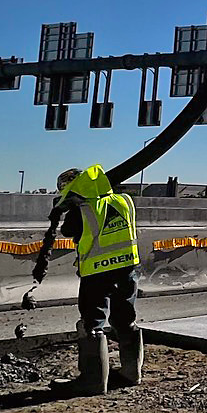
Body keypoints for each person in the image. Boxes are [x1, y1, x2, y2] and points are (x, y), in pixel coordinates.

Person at [32, 164, 144, 393]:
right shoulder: (124, 201)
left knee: (91, 325)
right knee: (125, 320)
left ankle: (93, 381)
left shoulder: (82, 210)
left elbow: (68, 231)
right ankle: (131, 373)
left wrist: (65, 207)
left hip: (97, 273)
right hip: (127, 270)